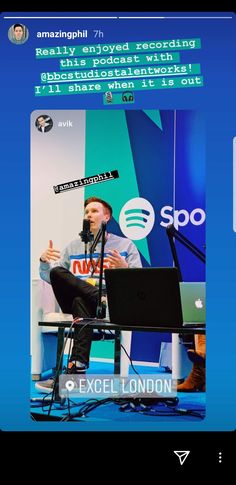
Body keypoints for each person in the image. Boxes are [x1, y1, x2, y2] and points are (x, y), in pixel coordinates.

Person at [35, 196, 142, 393]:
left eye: (94, 211)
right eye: (86, 212)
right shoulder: (73, 247)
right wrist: (43, 261)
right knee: (57, 271)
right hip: (98, 300)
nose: (89, 215)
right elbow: (54, 278)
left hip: (106, 305)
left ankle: (76, 371)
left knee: (79, 300)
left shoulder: (125, 246)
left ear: (107, 216)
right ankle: (96, 295)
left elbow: (140, 285)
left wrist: (125, 269)